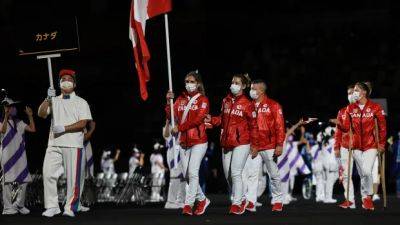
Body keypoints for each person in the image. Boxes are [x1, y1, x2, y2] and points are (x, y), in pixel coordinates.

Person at [38, 69, 92, 217]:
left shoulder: (82, 102)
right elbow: (42, 114)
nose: (66, 81)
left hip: (73, 144)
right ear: (59, 84)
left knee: (73, 180)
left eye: (69, 79)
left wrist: (63, 128)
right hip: (54, 143)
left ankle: (70, 207)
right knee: (48, 173)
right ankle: (52, 206)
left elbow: (82, 123)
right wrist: (47, 99)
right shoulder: (53, 100)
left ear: (74, 84)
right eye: (63, 79)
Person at [206, 73, 259, 215]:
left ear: (242, 86)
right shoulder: (226, 101)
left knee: (236, 172)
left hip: (242, 142)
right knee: (228, 175)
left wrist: (255, 145)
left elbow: (254, 126)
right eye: (232, 82)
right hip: (226, 141)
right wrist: (211, 119)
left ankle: (236, 204)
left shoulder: (248, 104)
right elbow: (222, 120)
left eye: (236, 83)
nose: (233, 85)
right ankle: (241, 199)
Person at [165, 71, 210, 215]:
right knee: (187, 174)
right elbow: (171, 116)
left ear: (197, 83)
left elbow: (198, 120)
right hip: (183, 141)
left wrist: (180, 127)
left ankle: (188, 204)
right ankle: (202, 199)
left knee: (192, 171)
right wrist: (168, 102)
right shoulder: (180, 99)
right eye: (186, 81)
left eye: (191, 81)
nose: (188, 84)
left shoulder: (203, 100)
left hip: (199, 140)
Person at [340, 81, 387, 211]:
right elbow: (345, 127)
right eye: (353, 90)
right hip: (355, 146)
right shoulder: (350, 108)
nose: (354, 93)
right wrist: (340, 124)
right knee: (363, 174)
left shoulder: (375, 107)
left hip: (370, 145)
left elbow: (382, 127)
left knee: (367, 171)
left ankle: (367, 197)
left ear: (364, 92)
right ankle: (365, 199)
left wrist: (382, 143)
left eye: (356, 90)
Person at [246, 79, 285, 212]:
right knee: (252, 174)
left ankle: (278, 200)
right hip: (254, 146)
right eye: (251, 88)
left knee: (273, 174)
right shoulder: (249, 106)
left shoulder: (274, 105)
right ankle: (251, 201)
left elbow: (280, 126)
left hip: (270, 145)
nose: (251, 91)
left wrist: (279, 144)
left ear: (261, 90)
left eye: (253, 88)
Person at [0, 98, 36, 215]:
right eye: (11, 106)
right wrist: (5, 116)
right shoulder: (1, 121)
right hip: (7, 155)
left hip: (20, 155)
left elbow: (32, 129)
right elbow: (3, 130)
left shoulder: (19, 122)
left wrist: (30, 116)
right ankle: (7, 208)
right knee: (7, 182)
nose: (14, 108)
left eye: (13, 106)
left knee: (24, 179)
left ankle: (19, 205)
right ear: (6, 108)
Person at [331, 84, 357, 209]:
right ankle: (350, 200)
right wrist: (336, 147)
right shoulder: (342, 112)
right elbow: (338, 132)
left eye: (353, 92)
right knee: (346, 175)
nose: (350, 95)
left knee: (366, 173)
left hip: (363, 146)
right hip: (346, 146)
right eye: (348, 93)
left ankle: (367, 197)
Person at [163, 120, 185, 209]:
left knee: (183, 176)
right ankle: (170, 201)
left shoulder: (183, 123)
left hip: (183, 151)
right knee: (175, 176)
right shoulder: (169, 125)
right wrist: (167, 123)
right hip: (173, 153)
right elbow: (166, 136)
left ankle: (180, 200)